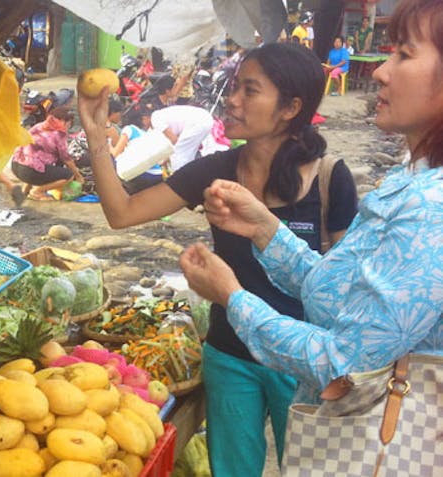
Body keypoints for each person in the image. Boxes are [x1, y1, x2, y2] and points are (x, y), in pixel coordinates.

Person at [78, 42, 358, 476]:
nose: (232, 99)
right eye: (234, 86)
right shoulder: (215, 171)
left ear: (291, 107)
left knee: (311, 469)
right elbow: (122, 213)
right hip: (230, 355)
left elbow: (347, 290)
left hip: (303, 360)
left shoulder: (329, 178)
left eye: (250, 90)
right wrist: (97, 135)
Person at [179, 0, 443, 410]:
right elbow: (338, 295)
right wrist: (265, 229)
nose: (380, 71)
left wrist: (232, 296)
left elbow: (344, 363)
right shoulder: (413, 181)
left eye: (405, 55)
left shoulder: (431, 208)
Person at [11, 107, 83, 201]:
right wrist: (78, 175)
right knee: (68, 175)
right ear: (64, 122)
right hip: (30, 171)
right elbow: (66, 158)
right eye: (69, 123)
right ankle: (37, 191)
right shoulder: (59, 134)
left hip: (16, 165)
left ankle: (25, 190)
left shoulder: (39, 125)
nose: (68, 126)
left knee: (34, 160)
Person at [150, 105, 215, 173]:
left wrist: (166, 158)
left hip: (199, 123)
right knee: (188, 154)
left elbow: (174, 140)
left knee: (179, 153)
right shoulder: (160, 116)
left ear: (145, 118)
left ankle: (179, 175)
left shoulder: (155, 119)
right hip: (204, 120)